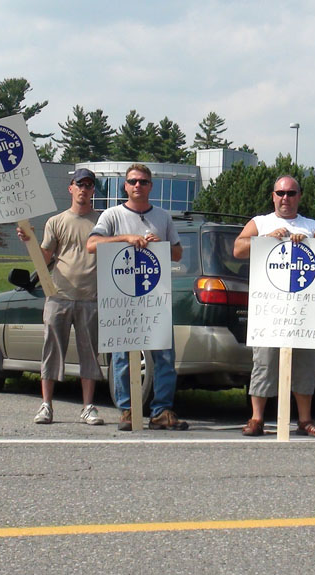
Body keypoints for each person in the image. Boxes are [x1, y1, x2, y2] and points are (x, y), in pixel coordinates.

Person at [87, 163, 188, 431]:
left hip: (155, 296)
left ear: (151, 186)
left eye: (143, 181)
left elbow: (178, 254)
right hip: (122, 295)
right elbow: (91, 244)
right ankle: (128, 410)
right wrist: (125, 239)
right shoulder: (112, 215)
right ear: (125, 185)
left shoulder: (163, 217)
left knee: (164, 356)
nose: (138, 186)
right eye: (133, 181)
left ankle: (161, 411)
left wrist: (160, 245)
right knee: (123, 356)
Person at [233, 175, 315, 438]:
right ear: (273, 196)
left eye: (291, 193)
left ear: (299, 196)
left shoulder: (311, 226)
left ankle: (304, 420)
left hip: (303, 311)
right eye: (280, 193)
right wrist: (266, 238)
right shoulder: (260, 222)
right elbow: (238, 249)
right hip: (270, 310)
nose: (285, 198)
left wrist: (312, 243)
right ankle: (256, 419)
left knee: (304, 365)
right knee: (264, 363)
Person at [19, 168, 105, 426]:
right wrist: (29, 240)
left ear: (93, 190)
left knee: (89, 353)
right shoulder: (56, 222)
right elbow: (45, 258)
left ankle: (88, 407)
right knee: (51, 350)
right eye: (80, 184)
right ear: (70, 188)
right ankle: (46, 405)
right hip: (58, 296)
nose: (83, 189)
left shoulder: (103, 222)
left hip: (91, 298)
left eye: (88, 185)